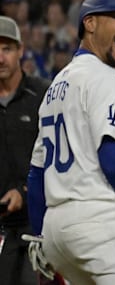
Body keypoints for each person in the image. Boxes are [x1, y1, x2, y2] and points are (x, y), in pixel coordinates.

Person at [25, 0, 115, 284]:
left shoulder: (55, 88)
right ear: (90, 22)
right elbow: (114, 161)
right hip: (101, 222)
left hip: (57, 231)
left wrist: (40, 238)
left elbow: (36, 177)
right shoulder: (107, 78)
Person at [0, 16, 50, 285]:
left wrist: (23, 192)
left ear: (20, 50)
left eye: (6, 48)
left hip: (40, 224)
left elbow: (58, 159)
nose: (0, 57)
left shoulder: (43, 95)